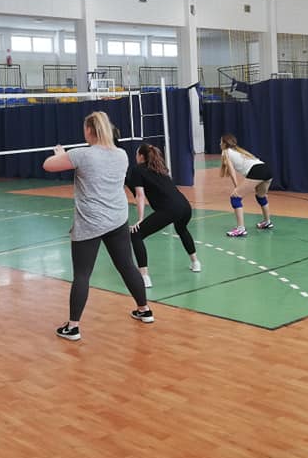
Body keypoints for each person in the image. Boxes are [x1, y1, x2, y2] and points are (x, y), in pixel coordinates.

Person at [43, 111, 153, 341]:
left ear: (89, 130)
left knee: (82, 274)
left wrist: (61, 154)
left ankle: (73, 327)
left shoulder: (82, 154)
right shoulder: (122, 154)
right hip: (117, 218)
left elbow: (48, 165)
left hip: (91, 221)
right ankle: (144, 310)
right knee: (127, 266)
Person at [127, 143, 200, 288]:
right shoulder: (159, 167)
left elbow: (140, 196)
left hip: (170, 209)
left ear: (141, 156)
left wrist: (140, 219)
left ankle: (144, 277)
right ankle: (196, 262)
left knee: (136, 234)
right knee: (182, 229)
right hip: (185, 206)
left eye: (136, 154)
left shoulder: (137, 169)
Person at [220, 134, 273, 238]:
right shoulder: (239, 151)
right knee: (261, 196)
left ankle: (241, 229)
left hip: (257, 171)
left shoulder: (225, 152)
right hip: (266, 169)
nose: (219, 144)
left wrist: (236, 187)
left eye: (221, 142)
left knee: (235, 197)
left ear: (225, 144)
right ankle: (267, 222)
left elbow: (231, 171)